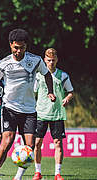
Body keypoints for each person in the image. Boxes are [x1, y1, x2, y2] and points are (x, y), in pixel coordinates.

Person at [0, 28, 56, 180]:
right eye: (16, 48)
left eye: (22, 48)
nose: (19, 51)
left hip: (29, 110)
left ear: (26, 46)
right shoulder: (4, 63)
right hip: (10, 108)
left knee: (30, 146)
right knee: (6, 142)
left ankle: (18, 177)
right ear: (10, 45)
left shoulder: (35, 60)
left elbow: (47, 75)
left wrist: (50, 91)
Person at [32, 48, 74, 180]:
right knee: (37, 143)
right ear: (44, 60)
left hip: (57, 114)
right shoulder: (38, 76)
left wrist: (67, 98)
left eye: (53, 60)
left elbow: (71, 92)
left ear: (57, 60)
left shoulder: (63, 75)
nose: (51, 63)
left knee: (58, 143)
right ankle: (37, 172)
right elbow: (33, 93)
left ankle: (57, 173)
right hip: (41, 113)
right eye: (49, 60)